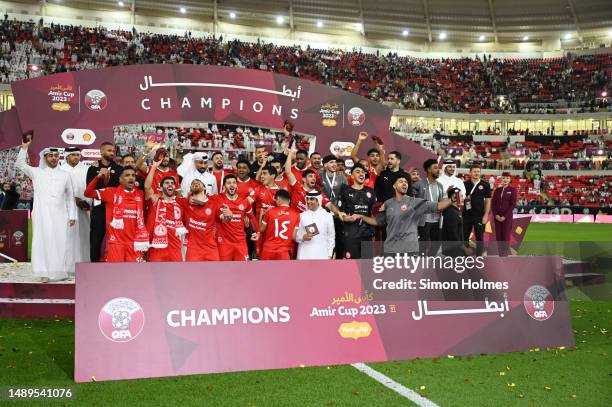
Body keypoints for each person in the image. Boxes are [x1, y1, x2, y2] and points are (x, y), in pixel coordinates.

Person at [16, 140, 77, 281]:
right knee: (42, 241)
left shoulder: (65, 175)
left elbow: (69, 196)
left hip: (61, 214)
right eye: (50, 156)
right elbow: (19, 164)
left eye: (56, 155)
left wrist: (72, 214)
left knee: (60, 241)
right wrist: (24, 148)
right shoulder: (36, 172)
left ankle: (59, 272)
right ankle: (42, 273)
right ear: (45, 157)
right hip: (42, 214)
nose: (54, 158)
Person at [361, 175, 451, 255]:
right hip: (390, 250)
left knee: (407, 275)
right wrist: (362, 217)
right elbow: (377, 222)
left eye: (406, 182)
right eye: (401, 182)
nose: (404, 184)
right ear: (394, 186)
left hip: (410, 250)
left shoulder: (415, 202)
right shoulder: (387, 203)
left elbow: (438, 206)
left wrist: (451, 200)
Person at [84, 166, 149, 262]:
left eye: (133, 175)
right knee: (116, 274)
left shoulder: (141, 194)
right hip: (116, 243)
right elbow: (87, 193)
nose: (131, 178)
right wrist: (97, 177)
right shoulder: (110, 192)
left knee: (134, 274)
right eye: (127, 175)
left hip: (135, 243)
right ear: (120, 179)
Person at [145, 159, 188, 262]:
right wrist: (154, 167)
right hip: (157, 247)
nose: (170, 185)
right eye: (167, 183)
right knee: (155, 276)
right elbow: (147, 187)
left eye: (172, 183)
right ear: (161, 187)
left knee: (175, 276)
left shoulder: (180, 202)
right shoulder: (156, 200)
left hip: (175, 248)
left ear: (175, 187)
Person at [86, 142, 122, 262]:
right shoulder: (93, 168)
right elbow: (90, 188)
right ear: (101, 152)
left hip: (115, 209)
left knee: (117, 240)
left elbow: (119, 188)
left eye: (113, 151)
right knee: (95, 240)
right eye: (109, 151)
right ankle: (93, 267)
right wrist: (100, 177)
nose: (112, 153)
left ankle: (116, 266)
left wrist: (106, 184)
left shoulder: (118, 169)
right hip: (99, 209)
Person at [285, 148, 343, 216]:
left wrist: (339, 213)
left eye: (314, 177)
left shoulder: (318, 194)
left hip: (309, 223)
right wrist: (290, 154)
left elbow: (329, 205)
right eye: (310, 176)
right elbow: (288, 172)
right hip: (295, 221)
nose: (313, 178)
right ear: (303, 179)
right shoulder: (297, 187)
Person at [214, 174, 259, 261]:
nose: (232, 185)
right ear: (224, 186)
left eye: (234, 183)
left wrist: (258, 232)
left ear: (237, 186)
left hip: (240, 242)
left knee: (243, 270)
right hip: (224, 242)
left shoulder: (244, 201)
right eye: (229, 183)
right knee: (224, 271)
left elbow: (252, 217)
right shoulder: (218, 199)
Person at [60, 146, 90, 272]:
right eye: (73, 155)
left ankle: (84, 264)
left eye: (78, 155)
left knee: (83, 236)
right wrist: (72, 200)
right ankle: (66, 266)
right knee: (66, 237)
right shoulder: (60, 169)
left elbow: (90, 188)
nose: (76, 157)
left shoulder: (86, 169)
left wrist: (86, 202)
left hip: (83, 209)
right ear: (67, 156)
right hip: (64, 209)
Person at [337, 163, 377, 259]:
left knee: (367, 267)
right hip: (351, 235)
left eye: (363, 172)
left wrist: (373, 233)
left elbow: (375, 215)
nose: (361, 174)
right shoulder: (345, 192)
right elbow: (340, 214)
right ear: (352, 176)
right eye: (358, 172)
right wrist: (347, 218)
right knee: (351, 267)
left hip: (367, 235)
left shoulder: (370, 191)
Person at [179, 179, 219, 261]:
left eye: (198, 182)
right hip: (192, 249)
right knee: (193, 273)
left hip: (211, 247)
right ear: (190, 189)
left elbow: (224, 217)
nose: (195, 183)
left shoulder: (214, 201)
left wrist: (228, 215)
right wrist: (189, 197)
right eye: (192, 183)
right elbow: (170, 197)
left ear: (204, 188)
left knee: (215, 273)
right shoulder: (185, 202)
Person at [412, 159, 445, 256]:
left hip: (437, 220)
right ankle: (421, 263)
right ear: (428, 170)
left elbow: (441, 201)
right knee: (423, 245)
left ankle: (430, 260)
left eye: (438, 168)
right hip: (423, 221)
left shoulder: (440, 185)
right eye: (435, 168)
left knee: (437, 243)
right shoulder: (418, 184)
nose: (438, 170)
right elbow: (412, 202)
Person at [259, 190, 300, 260]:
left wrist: (261, 215)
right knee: (283, 271)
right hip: (284, 252)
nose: (275, 202)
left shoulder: (270, 212)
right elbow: (293, 236)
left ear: (278, 198)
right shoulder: (296, 215)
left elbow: (261, 229)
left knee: (266, 271)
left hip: (268, 250)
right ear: (289, 201)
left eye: (275, 200)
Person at [320, 154, 348, 257]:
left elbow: (346, 195)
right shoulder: (319, 176)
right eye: (331, 162)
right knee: (323, 237)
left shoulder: (342, 178)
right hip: (323, 213)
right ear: (325, 165)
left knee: (339, 238)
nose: (334, 165)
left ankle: (339, 260)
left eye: (335, 162)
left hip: (337, 213)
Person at [296, 192, 336, 259]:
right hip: (304, 255)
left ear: (318, 201)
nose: (308, 201)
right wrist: (302, 237)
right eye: (307, 199)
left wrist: (329, 254)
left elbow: (331, 237)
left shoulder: (327, 216)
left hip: (322, 255)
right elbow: (296, 235)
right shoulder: (301, 216)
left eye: (311, 199)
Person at [463, 164, 491, 256]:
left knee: (480, 237)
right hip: (466, 215)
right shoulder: (464, 184)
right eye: (474, 171)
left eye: (478, 171)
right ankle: (465, 257)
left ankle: (479, 257)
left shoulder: (485, 184)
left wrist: (486, 215)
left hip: (479, 215)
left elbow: (488, 200)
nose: (476, 173)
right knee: (464, 237)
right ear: (470, 173)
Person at [491, 171, 517, 256]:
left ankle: (505, 256)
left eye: (507, 178)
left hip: (507, 218)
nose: (505, 180)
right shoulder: (497, 190)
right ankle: (500, 255)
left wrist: (504, 216)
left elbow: (513, 204)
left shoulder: (512, 190)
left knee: (505, 237)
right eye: (504, 178)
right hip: (497, 217)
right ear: (501, 179)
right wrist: (496, 215)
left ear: (510, 179)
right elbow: (493, 204)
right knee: (499, 237)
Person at [441, 187, 468, 257]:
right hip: (453, 250)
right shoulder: (451, 212)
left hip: (456, 249)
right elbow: (452, 234)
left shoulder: (455, 210)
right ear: (454, 197)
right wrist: (464, 248)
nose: (463, 199)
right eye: (461, 196)